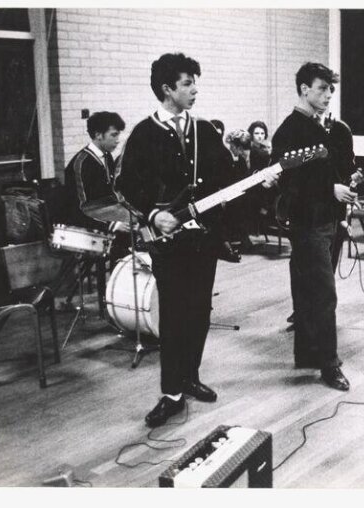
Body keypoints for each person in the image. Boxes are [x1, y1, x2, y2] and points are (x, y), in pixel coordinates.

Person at [116, 53, 273, 428]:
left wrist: (258, 182)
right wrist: (154, 216)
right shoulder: (144, 133)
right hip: (167, 242)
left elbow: (225, 183)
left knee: (200, 312)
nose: (194, 89)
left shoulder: (204, 131)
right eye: (187, 83)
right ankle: (171, 392)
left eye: (194, 82)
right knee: (173, 315)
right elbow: (126, 186)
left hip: (204, 241)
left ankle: (190, 376)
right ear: (167, 89)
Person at [269, 62, 355, 391]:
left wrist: (345, 190)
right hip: (307, 223)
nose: (328, 94)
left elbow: (333, 173)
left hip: (329, 220)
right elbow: (287, 184)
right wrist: (328, 189)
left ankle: (309, 355)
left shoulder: (327, 129)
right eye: (322, 88)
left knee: (308, 291)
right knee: (323, 294)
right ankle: (329, 364)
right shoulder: (290, 130)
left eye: (330, 89)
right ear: (304, 89)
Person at [63, 111, 128, 316]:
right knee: (126, 237)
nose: (118, 140)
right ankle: (115, 301)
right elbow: (81, 209)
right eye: (114, 135)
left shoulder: (107, 157)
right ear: (98, 135)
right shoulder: (81, 163)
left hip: (104, 217)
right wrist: (114, 225)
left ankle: (124, 295)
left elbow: (111, 198)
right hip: (82, 222)